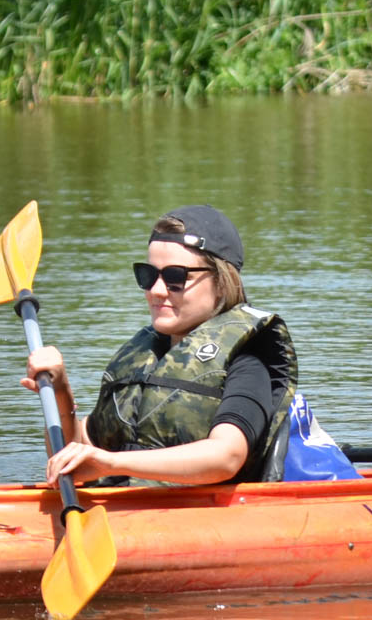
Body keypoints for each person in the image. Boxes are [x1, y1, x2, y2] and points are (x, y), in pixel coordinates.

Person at [22, 204, 296, 486]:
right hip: (124, 504)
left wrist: (112, 463)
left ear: (222, 282)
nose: (156, 291)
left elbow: (226, 457)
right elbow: (77, 452)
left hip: (207, 508)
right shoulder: (143, 357)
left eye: (176, 277)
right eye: (148, 275)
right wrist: (60, 393)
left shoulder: (247, 363)